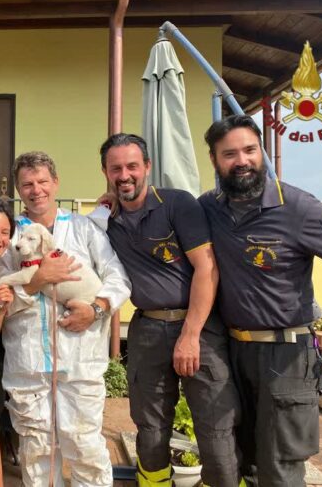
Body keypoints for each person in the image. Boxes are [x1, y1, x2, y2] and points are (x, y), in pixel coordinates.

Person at [199, 114, 322, 486]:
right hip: (232, 354)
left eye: (249, 150)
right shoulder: (209, 207)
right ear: (214, 160)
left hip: (287, 356)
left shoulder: (298, 207)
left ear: (262, 152)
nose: (241, 160)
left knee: (280, 470)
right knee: (243, 460)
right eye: (229, 154)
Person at [93, 133, 242, 487]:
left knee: (215, 427)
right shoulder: (105, 220)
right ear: (106, 172)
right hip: (146, 330)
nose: (125, 175)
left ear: (147, 166)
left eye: (132, 166)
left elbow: (207, 269)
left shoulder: (178, 204)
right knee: (150, 428)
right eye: (116, 169)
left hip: (198, 328)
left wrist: (190, 336)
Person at [0, 151, 130, 487]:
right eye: (27, 184)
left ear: (55, 182)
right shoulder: (9, 238)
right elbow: (0, 298)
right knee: (36, 453)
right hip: (29, 367)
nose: (36, 190)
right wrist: (36, 283)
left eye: (41, 181)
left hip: (80, 363)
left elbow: (117, 279)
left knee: (84, 447)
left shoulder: (84, 229)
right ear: (19, 191)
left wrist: (95, 308)